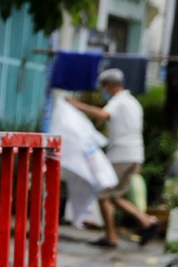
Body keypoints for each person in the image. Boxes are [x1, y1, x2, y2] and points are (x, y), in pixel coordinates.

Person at [68, 68, 159, 247]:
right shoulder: (134, 102)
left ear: (110, 85)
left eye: (104, 87)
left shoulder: (119, 101)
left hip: (121, 155)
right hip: (135, 154)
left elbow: (104, 114)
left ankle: (111, 236)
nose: (104, 91)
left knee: (103, 195)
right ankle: (147, 221)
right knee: (115, 196)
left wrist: (76, 105)